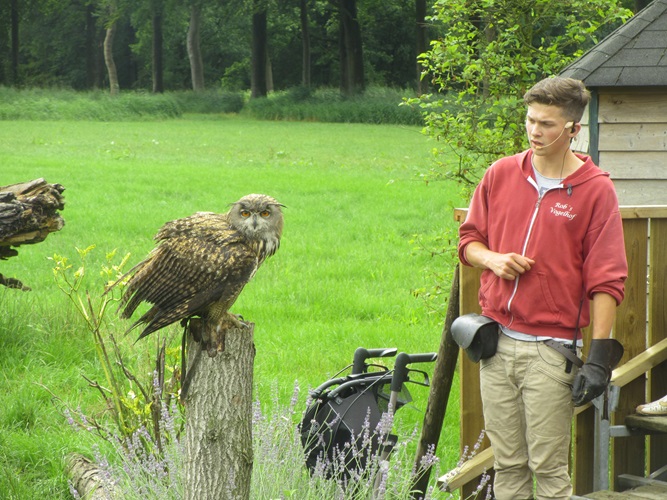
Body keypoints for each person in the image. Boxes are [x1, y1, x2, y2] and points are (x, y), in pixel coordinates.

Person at [457, 76, 628, 499]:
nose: (535, 132)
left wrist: (598, 358)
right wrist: (492, 259)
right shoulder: (500, 174)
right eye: (531, 121)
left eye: (547, 124)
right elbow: (468, 241)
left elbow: (607, 280)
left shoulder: (595, 191)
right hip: (494, 343)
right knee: (508, 465)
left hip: (551, 353)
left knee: (549, 471)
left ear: (573, 128)